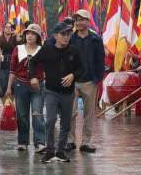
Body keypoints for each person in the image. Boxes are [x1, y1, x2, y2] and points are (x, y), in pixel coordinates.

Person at [31, 21, 82, 164]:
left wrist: (73, 75)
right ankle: (49, 151)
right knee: (50, 120)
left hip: (68, 93)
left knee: (66, 123)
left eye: (68, 34)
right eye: (63, 34)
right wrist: (33, 77)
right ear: (55, 35)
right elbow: (33, 62)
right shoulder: (47, 49)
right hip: (51, 91)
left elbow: (80, 68)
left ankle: (60, 151)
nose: (66, 37)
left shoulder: (74, 50)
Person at [6, 23, 47, 153]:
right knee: (22, 115)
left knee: (37, 113)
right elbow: (12, 70)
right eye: (28, 33)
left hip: (38, 86)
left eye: (33, 34)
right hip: (20, 84)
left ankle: (40, 141)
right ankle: (22, 141)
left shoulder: (42, 50)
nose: (30, 36)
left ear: (38, 37)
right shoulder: (18, 49)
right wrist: (8, 87)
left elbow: (47, 69)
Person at [68, 10, 105, 152]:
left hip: (90, 81)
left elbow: (100, 60)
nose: (78, 22)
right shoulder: (71, 39)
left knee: (89, 114)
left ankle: (86, 142)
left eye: (82, 19)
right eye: (76, 20)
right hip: (73, 81)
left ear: (88, 22)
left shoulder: (96, 40)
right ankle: (70, 140)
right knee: (71, 112)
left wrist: (97, 78)